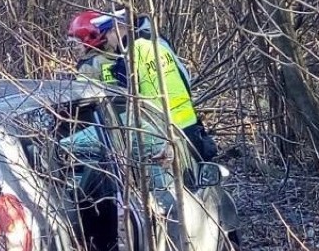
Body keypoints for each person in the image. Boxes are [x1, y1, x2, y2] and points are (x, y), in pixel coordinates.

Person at [66, 9, 217, 161]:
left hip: (160, 133)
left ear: (118, 28)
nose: (106, 39)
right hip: (188, 126)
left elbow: (126, 104)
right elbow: (185, 77)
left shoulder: (129, 55)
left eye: (107, 33)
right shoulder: (157, 43)